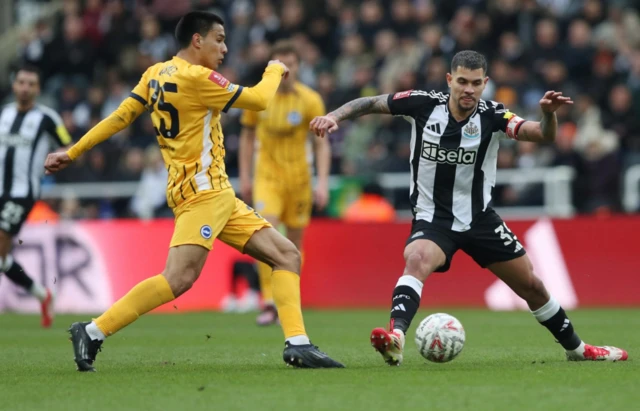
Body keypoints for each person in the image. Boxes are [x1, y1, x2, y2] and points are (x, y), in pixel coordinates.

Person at [45, 11, 343, 371]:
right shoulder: (198, 77)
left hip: (215, 193)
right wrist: (275, 69)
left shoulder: (155, 73)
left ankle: (297, 343)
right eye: (219, 39)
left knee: (286, 256)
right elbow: (260, 100)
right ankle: (92, 330)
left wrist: (73, 151)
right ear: (197, 40)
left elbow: (120, 117)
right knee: (178, 278)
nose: (225, 48)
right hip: (202, 193)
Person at [310, 50, 627, 365]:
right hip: (434, 219)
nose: (468, 90)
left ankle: (578, 349)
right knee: (417, 258)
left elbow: (541, 134)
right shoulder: (423, 104)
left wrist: (548, 114)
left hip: (480, 220)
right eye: (462, 81)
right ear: (450, 80)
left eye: (476, 83)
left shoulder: (493, 115)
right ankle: (397, 339)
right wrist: (334, 116)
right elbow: (370, 102)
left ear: (485, 83)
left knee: (532, 285)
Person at [238, 40, 331, 326]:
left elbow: (321, 145)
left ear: (299, 66)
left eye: (291, 63)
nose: (286, 69)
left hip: (299, 179)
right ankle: (268, 300)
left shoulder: (310, 100)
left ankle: (288, 301)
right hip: (267, 177)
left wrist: (323, 182)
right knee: (265, 233)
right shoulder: (258, 98)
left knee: (294, 243)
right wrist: (245, 176)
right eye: (279, 64)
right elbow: (247, 136)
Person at [0, 64, 67, 328]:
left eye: (31, 84)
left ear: (38, 89)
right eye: (21, 82)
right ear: (14, 85)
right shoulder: (3, 114)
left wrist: (58, 160)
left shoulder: (47, 118)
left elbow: (67, 145)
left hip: (22, 193)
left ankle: (42, 294)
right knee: (2, 259)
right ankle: (42, 294)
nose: (25, 88)